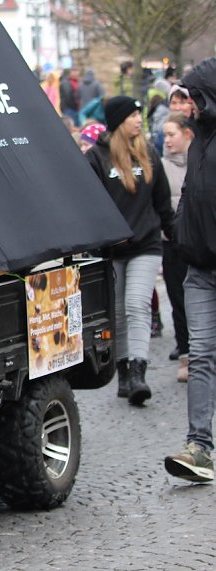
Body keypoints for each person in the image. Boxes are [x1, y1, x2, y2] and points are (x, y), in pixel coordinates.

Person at [85, 96, 174, 406]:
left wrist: (176, 238)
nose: (139, 119)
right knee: (118, 312)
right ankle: (122, 372)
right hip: (112, 249)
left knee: (137, 304)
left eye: (140, 114)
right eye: (134, 115)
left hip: (146, 244)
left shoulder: (149, 153)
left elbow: (162, 201)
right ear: (118, 121)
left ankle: (138, 372)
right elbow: (90, 206)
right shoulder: (97, 158)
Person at [164, 57, 216, 482]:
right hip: (198, 269)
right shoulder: (198, 140)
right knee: (200, 357)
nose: (187, 106)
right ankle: (199, 447)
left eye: (193, 97)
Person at [161, 111, 194, 382]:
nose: (167, 140)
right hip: (172, 242)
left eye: (171, 134)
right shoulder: (160, 166)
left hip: (199, 241)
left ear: (187, 134)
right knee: (178, 301)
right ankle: (186, 355)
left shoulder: (201, 161)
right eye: (165, 135)